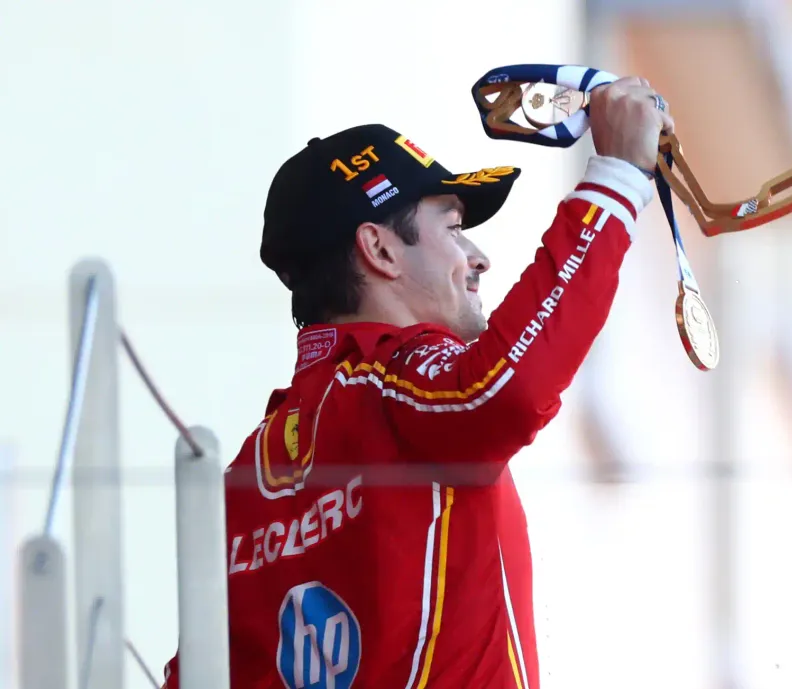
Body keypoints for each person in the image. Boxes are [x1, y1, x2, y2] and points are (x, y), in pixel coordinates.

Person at [162, 76, 673, 689]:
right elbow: (503, 388)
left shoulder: (242, 482)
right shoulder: (392, 380)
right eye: (453, 229)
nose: (477, 257)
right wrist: (615, 181)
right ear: (379, 250)